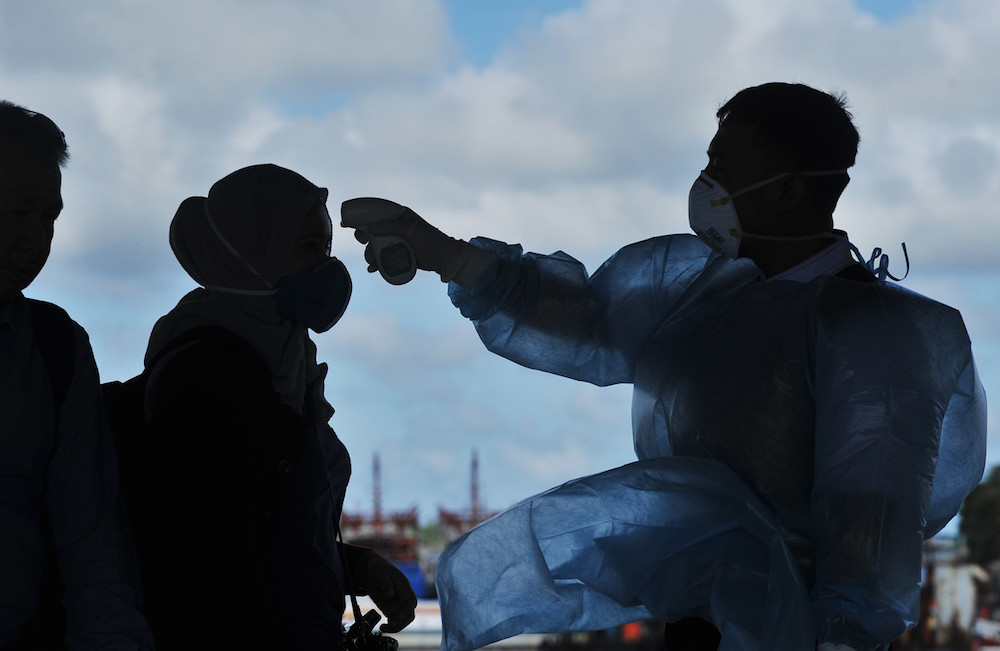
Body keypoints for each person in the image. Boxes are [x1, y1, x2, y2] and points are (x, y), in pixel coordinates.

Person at [344, 83, 988, 651]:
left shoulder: (871, 329)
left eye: (725, 165)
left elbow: (867, 534)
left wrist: (836, 637)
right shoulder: (704, 290)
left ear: (790, 189)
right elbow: (584, 319)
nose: (707, 184)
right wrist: (445, 254)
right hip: (698, 622)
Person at [130, 164, 416, 649]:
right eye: (309, 248)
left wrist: (356, 567)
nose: (326, 267)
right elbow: (215, 565)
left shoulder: (287, 364)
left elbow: (274, 539)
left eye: (326, 249)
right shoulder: (203, 377)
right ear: (251, 254)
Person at [0, 100, 155, 649]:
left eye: (48, 219)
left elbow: (92, 539)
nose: (36, 240)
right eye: (16, 213)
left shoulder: (56, 347)